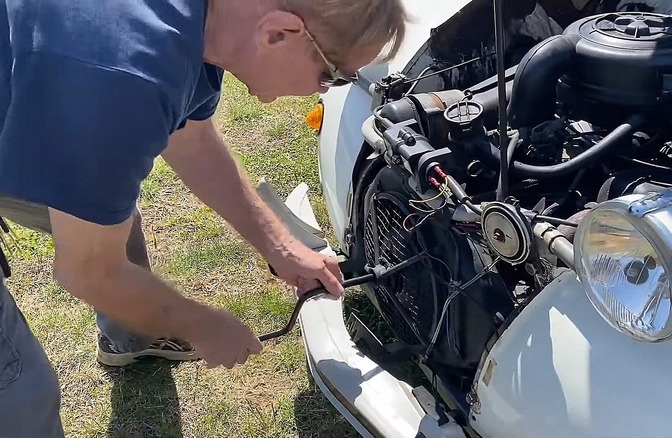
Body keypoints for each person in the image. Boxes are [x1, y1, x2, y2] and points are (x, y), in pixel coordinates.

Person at [0, 0, 407, 436]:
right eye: (332, 76)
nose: (321, 90)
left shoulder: (205, 25)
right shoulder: (126, 75)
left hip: (32, 94)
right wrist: (203, 325)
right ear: (278, 33)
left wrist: (281, 246)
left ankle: (133, 336)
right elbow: (88, 270)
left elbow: (190, 140)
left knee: (108, 213)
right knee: (19, 392)